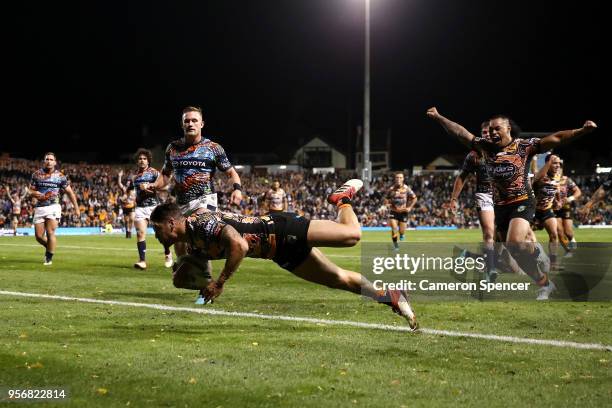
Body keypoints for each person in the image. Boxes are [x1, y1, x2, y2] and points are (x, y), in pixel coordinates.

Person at [150, 179, 418, 330]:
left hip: (280, 229)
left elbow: (239, 246)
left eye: (157, 229)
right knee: (340, 280)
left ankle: (341, 198)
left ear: (172, 224)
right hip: (278, 253)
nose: (157, 234)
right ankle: (390, 298)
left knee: (351, 235)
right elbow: (188, 271)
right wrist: (186, 277)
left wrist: (219, 283)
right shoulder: (191, 240)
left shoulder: (201, 223)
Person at [427, 107, 597, 299]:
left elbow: (556, 138)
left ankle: (534, 254)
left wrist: (581, 131)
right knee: (515, 252)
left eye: (497, 128)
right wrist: (439, 117)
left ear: (508, 128)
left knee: (514, 242)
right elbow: (460, 133)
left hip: (522, 200)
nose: (492, 132)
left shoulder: (524, 147)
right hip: (499, 206)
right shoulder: (484, 147)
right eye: (490, 130)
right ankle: (544, 282)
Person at [147, 106, 243, 303]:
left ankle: (208, 286)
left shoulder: (213, 148)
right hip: (180, 205)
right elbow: (165, 175)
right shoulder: (172, 148)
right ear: (182, 124)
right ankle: (204, 283)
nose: (190, 123)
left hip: (204, 201)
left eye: (193, 120)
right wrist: (154, 186)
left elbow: (231, 172)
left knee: (200, 243)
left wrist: (237, 189)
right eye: (186, 121)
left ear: (201, 124)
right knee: (181, 249)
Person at [448, 121, 497, 281]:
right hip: (485, 195)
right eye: (484, 132)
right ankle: (490, 272)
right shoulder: (474, 155)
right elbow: (462, 176)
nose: (487, 134)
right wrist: (454, 199)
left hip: (505, 197)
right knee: (489, 234)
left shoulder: (505, 150)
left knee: (508, 253)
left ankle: (467, 255)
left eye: (490, 131)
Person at [119, 149, 173, 270]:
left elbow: (165, 187)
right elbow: (129, 190)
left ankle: (168, 253)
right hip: (140, 208)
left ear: (148, 160)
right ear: (137, 161)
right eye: (140, 159)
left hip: (153, 207)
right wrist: (125, 197)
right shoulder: (134, 176)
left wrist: (150, 187)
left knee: (161, 234)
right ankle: (142, 261)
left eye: (144, 159)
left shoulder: (154, 173)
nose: (142, 161)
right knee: (140, 233)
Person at [28, 152, 80, 265]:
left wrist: (76, 208)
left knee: (50, 232)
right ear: (44, 161)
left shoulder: (60, 176)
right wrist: (34, 194)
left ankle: (48, 257)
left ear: (55, 162)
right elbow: (30, 190)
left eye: (51, 159)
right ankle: (51, 247)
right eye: (47, 159)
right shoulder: (36, 174)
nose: (49, 161)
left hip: (54, 206)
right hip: (40, 207)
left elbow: (70, 192)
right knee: (38, 237)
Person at [532, 154, 566, 268]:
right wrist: (535, 159)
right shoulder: (541, 176)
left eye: (558, 163)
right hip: (533, 211)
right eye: (554, 163)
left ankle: (553, 263)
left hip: (547, 210)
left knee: (554, 235)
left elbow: (556, 189)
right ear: (548, 164)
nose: (557, 165)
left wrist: (558, 201)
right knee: (525, 238)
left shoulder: (558, 176)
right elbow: (536, 176)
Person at [385, 173, 417, 251]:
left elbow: (415, 198)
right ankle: (396, 246)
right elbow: (386, 199)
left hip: (403, 212)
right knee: (394, 229)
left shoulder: (407, 188)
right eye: (397, 177)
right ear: (395, 179)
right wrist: (387, 204)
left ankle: (402, 234)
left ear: (403, 179)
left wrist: (410, 207)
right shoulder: (391, 189)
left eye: (400, 177)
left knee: (401, 231)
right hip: (393, 212)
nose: (398, 179)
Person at [553, 163, 581, 251]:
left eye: (559, 168)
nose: (557, 170)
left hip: (565, 207)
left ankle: (572, 240)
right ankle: (568, 251)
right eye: (556, 168)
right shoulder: (548, 179)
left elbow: (578, 192)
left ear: (562, 170)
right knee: (559, 232)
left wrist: (570, 198)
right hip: (553, 208)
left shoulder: (567, 180)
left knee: (568, 232)